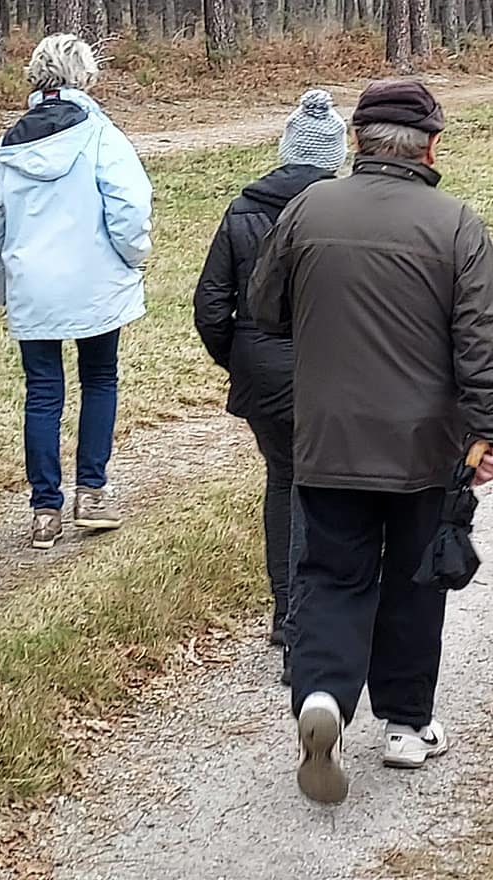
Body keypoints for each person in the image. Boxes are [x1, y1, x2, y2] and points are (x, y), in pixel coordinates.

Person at [249, 79, 493, 804]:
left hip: (327, 438)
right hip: (424, 447)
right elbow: (486, 341)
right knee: (414, 578)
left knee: (329, 575)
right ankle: (406, 724)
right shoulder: (455, 224)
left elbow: (264, 306)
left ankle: (323, 699)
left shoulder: (308, 208)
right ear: (431, 146)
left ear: (358, 141)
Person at [0, 35, 154, 550]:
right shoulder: (101, 136)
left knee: (42, 392)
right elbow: (130, 207)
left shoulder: (6, 147)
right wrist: (134, 257)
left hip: (33, 288)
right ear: (85, 77)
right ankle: (92, 492)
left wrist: (2, 287)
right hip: (96, 284)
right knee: (99, 378)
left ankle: (44, 510)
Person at [193, 90, 347, 670]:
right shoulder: (343, 211)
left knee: (283, 480)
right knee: (329, 490)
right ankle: (321, 617)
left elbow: (211, 306)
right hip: (331, 370)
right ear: (335, 155)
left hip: (264, 372)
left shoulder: (242, 210)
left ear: (286, 151)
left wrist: (241, 360)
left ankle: (286, 613)